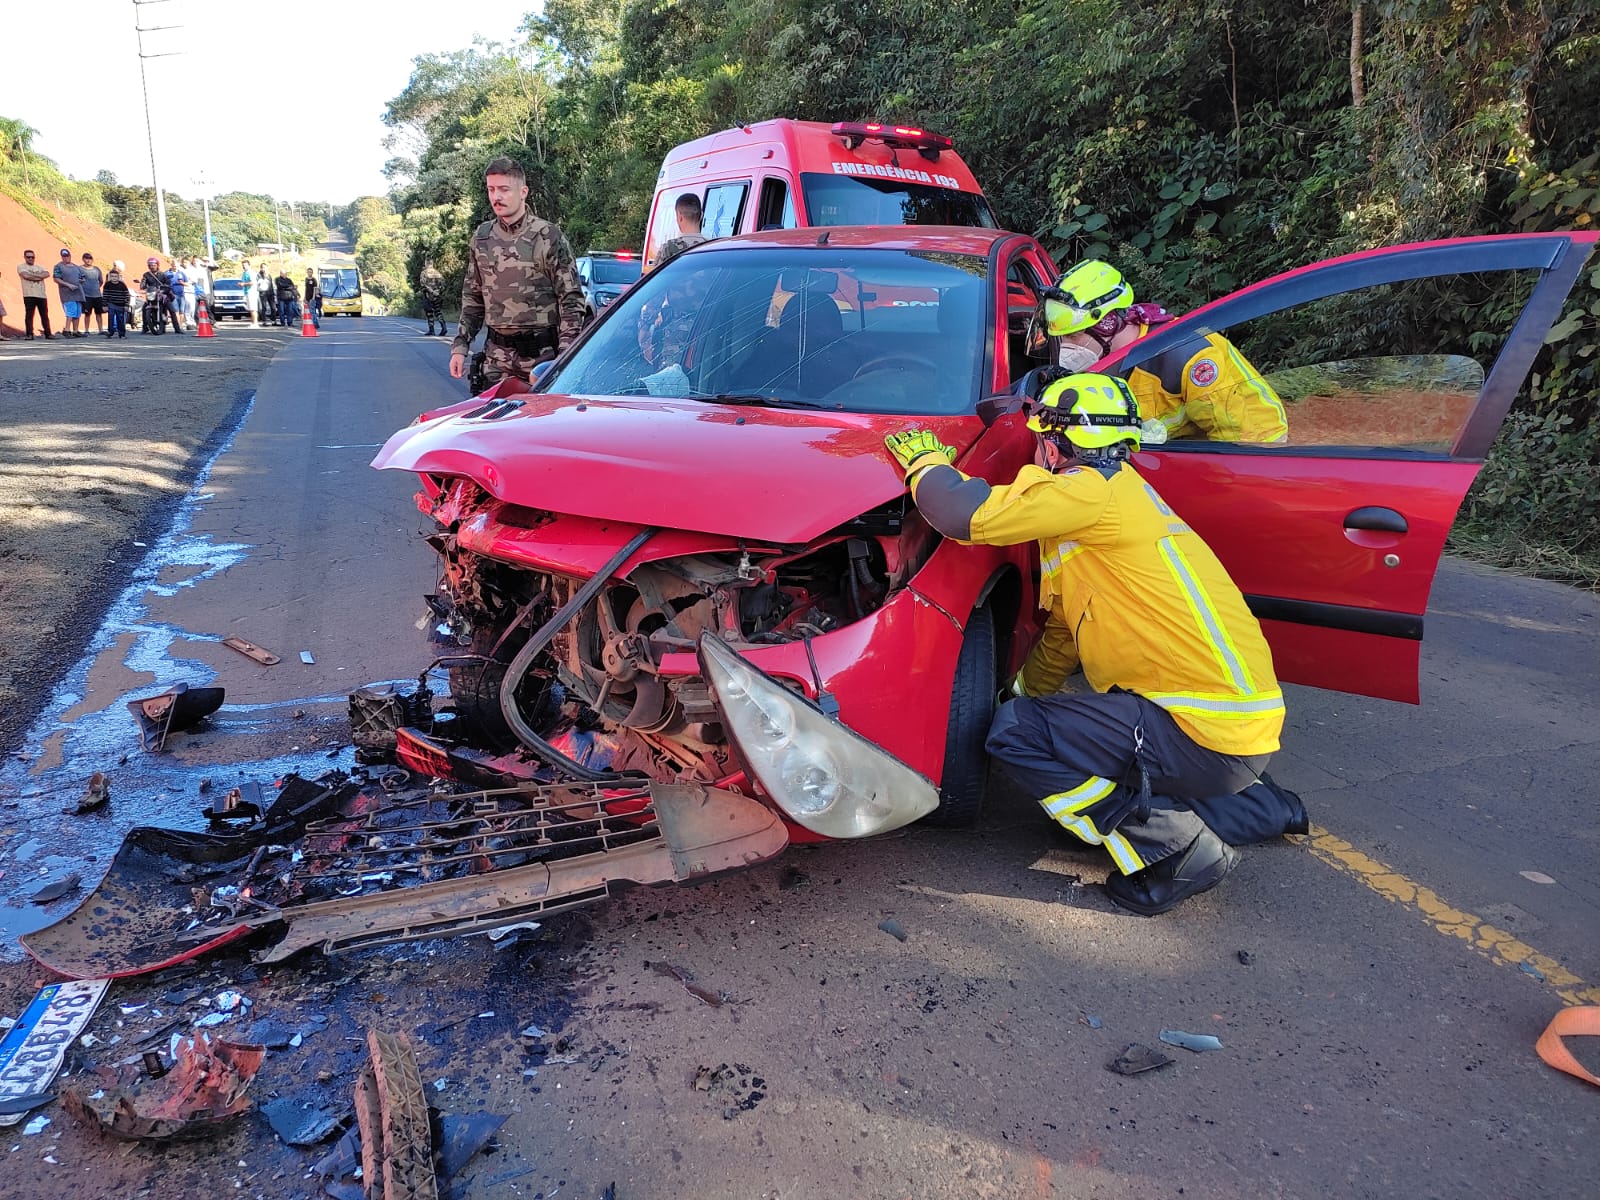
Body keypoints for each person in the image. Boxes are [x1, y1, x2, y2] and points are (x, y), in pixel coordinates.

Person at [884, 373, 1306, 914]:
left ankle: (1177, 850)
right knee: (1030, 717)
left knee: (1016, 736)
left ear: (1052, 443)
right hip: (1238, 735)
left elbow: (964, 515)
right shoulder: (1119, 498)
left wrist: (925, 465)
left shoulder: (1086, 492)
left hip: (1200, 731)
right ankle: (1262, 809)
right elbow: (1064, 633)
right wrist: (1018, 692)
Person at [1037, 260, 1288, 444]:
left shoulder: (1190, 357)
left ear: (1107, 324)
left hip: (1234, 456)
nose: (1066, 347)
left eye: (1073, 335)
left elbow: (1242, 442)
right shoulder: (1102, 361)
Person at [450, 156, 585, 389]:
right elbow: (472, 296)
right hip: (496, 360)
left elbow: (570, 300)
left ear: (523, 192)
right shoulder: (482, 237)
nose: (496, 197)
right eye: (491, 189)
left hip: (542, 359)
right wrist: (461, 347)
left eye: (504, 189)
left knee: (539, 424)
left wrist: (565, 356)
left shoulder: (547, 236)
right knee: (493, 423)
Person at [650, 192, 708, 271]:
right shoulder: (713, 248)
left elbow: (655, 280)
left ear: (680, 217)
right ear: (701, 215)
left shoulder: (668, 249)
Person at [16, 249, 53, 339]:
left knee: (44, 315)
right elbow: (26, 276)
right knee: (29, 315)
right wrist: (39, 277)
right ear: (25, 257)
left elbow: (47, 274)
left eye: (32, 257)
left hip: (41, 294)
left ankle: (48, 333)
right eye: (28, 257)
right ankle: (29, 334)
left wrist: (34, 277)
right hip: (29, 294)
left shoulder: (39, 266)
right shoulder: (21, 266)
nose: (31, 259)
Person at [53, 248, 86, 337]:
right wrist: (67, 285)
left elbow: (83, 277)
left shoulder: (76, 267)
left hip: (78, 292)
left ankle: (75, 331)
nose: (66, 258)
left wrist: (82, 280)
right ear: (61, 257)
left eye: (67, 256)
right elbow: (56, 278)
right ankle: (67, 330)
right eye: (64, 256)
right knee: (70, 311)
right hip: (67, 293)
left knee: (78, 312)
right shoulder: (58, 266)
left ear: (70, 256)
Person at [79, 252, 107, 335]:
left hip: (97, 295)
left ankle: (100, 330)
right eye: (86, 258)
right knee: (87, 313)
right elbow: (78, 280)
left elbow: (101, 281)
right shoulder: (80, 269)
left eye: (90, 258)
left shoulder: (96, 269)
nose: (88, 260)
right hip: (86, 295)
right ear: (83, 259)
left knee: (99, 313)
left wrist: (96, 287)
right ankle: (86, 330)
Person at [103, 264, 131, 338]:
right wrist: (105, 305)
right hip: (111, 304)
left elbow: (127, 295)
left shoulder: (122, 285)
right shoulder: (107, 285)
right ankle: (110, 332)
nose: (114, 278)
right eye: (112, 276)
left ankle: (122, 334)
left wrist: (126, 305)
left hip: (120, 305)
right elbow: (105, 295)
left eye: (115, 276)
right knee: (111, 318)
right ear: (109, 277)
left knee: (120, 320)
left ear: (118, 277)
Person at [418, 260, 446, 336]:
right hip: (437, 296)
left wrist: (431, 291)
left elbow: (423, 285)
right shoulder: (438, 273)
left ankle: (431, 330)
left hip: (428, 296)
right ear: (432, 264)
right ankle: (444, 327)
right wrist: (438, 292)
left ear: (426, 264)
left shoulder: (424, 273)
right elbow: (443, 285)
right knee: (438, 311)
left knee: (429, 313)